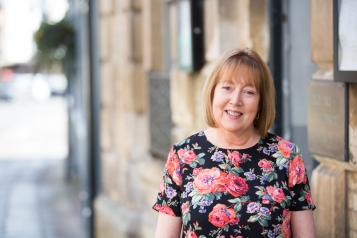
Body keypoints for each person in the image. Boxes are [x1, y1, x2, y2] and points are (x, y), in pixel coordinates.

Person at [152, 48, 316, 238]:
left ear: (261, 103)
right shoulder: (183, 156)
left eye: (248, 92)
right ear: (213, 93)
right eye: (227, 87)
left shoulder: (287, 157)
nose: (236, 100)